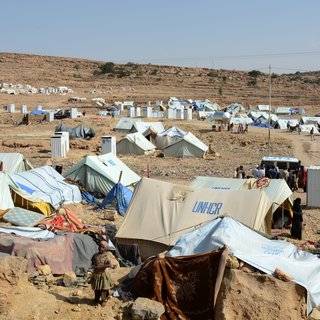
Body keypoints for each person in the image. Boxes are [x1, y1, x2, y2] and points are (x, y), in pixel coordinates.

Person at [91, 240, 115, 306]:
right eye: (99, 246)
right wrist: (94, 266)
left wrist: (100, 267)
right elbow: (92, 263)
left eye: (103, 247)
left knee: (104, 289)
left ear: (106, 249)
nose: (100, 248)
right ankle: (96, 299)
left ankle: (104, 300)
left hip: (103, 275)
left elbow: (109, 264)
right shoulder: (95, 255)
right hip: (96, 275)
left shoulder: (106, 256)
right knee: (97, 288)